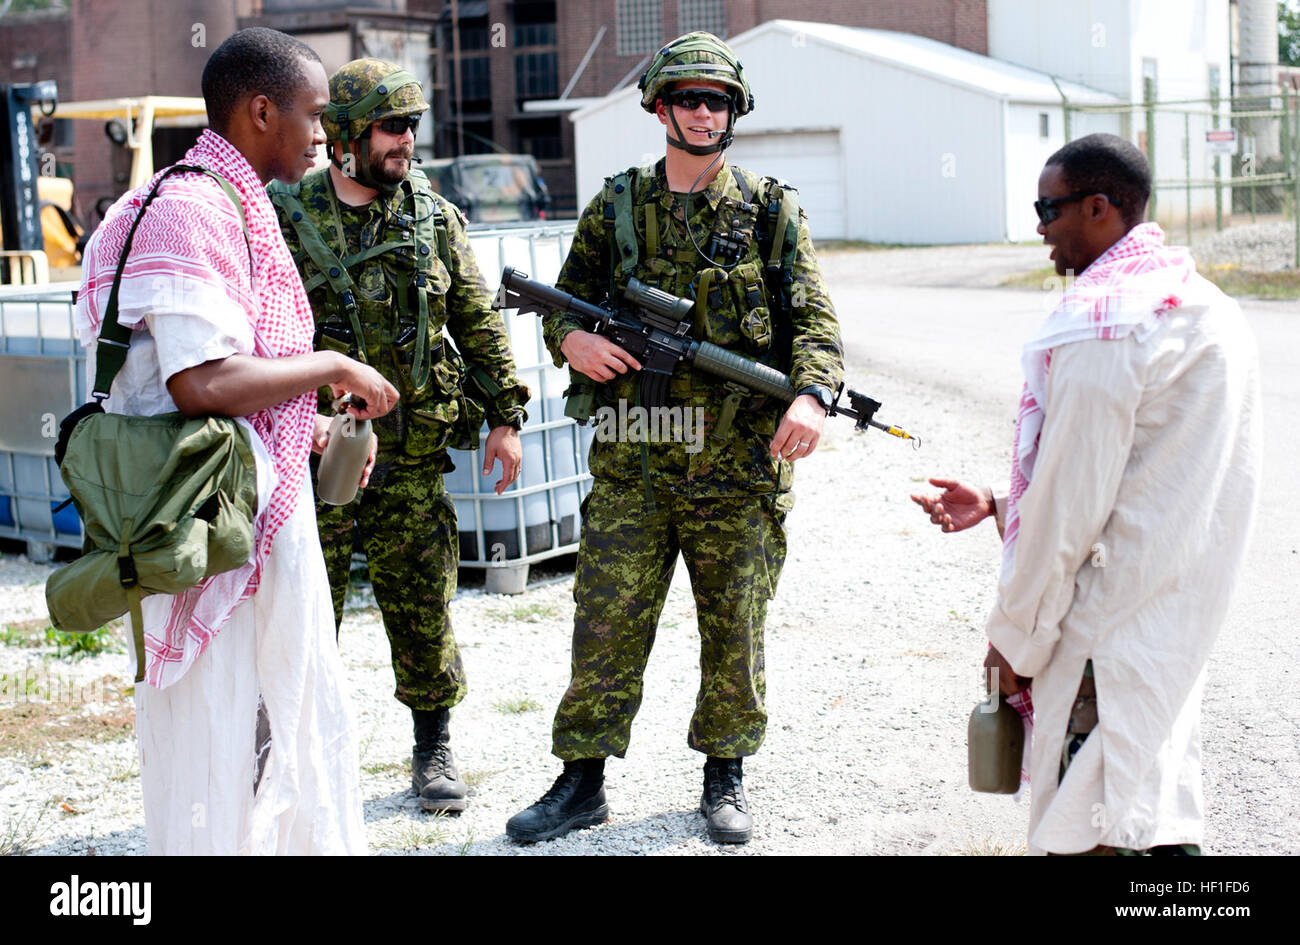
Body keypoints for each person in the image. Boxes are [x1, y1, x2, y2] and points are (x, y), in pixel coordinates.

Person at [506, 32, 843, 845]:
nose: (702, 111)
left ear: (735, 111)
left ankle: (724, 776)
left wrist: (812, 397)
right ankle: (581, 780)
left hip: (735, 464)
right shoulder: (617, 205)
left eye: (717, 100)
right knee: (605, 621)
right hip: (633, 455)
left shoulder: (769, 211)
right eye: (688, 98)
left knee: (735, 624)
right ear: (660, 106)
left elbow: (816, 321)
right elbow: (564, 301)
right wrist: (571, 342)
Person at [74, 28, 399, 854]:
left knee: (272, 714)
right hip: (206, 518)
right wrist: (328, 365)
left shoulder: (218, 198)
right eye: (315, 114)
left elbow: (215, 380)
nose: (325, 133)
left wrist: (310, 424)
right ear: (261, 111)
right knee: (223, 727)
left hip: (234, 497)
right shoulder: (192, 209)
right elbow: (200, 384)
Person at [911, 133, 1261, 855]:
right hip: (1170, 623)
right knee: (1152, 805)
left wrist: (1013, 636)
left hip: (1105, 635)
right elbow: (1159, 477)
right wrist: (1002, 503)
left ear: (1100, 208)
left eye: (1048, 208)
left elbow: (1070, 511)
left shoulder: (1110, 326)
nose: (1038, 228)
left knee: (1097, 824)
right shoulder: (1202, 305)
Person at [269, 59, 528, 813]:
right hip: (312, 452)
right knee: (300, 606)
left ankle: (432, 745)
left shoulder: (435, 219)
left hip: (410, 458)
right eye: (391, 126)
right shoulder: (289, 217)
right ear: (348, 135)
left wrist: (506, 416)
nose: (406, 140)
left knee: (422, 603)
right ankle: (285, 749)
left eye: (413, 125)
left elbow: (476, 322)